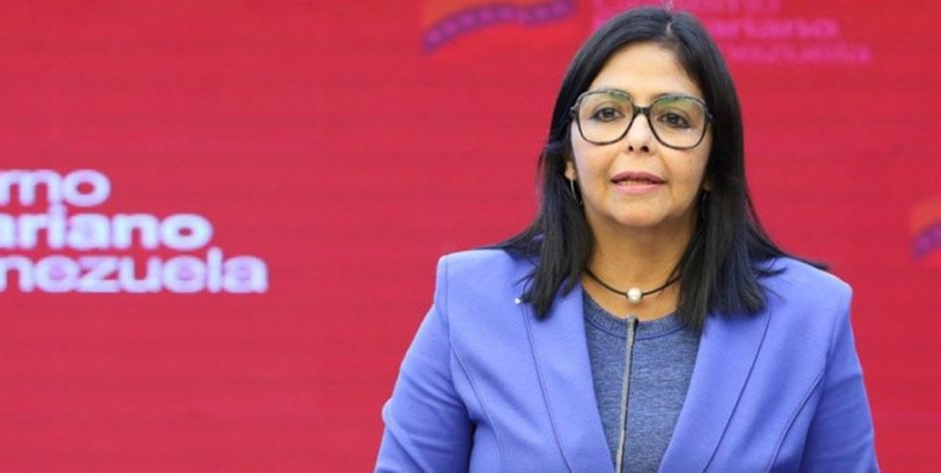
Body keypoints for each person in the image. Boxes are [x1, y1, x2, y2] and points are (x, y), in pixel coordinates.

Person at [375, 6, 878, 472]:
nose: (638, 138)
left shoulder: (809, 317)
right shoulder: (471, 300)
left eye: (674, 118)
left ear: (712, 163)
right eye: (608, 113)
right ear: (567, 158)